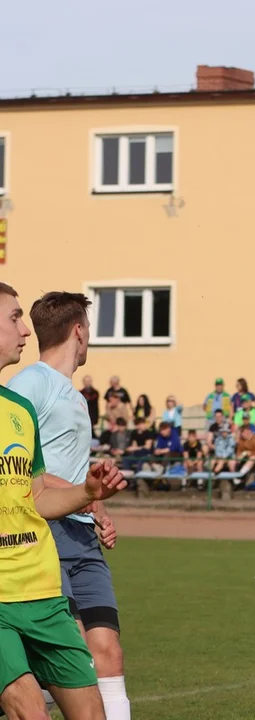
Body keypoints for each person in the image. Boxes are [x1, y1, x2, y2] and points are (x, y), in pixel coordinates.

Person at [1, 284, 129, 719]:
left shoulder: (43, 402)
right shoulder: (32, 384)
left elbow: (36, 485)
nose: (23, 330)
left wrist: (93, 498)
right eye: (14, 318)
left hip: (61, 559)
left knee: (101, 668)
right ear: (80, 330)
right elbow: (30, 488)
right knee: (37, 698)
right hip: (31, 554)